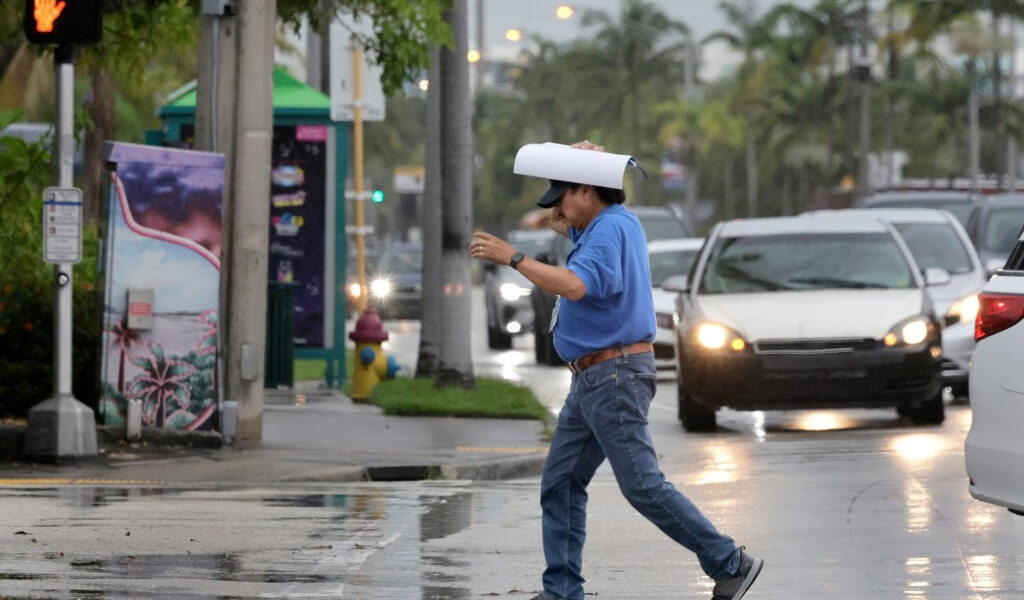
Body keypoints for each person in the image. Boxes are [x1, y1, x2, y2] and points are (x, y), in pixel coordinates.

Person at [470, 141, 763, 600]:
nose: (558, 209)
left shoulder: (607, 231)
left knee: (643, 485)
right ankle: (562, 592)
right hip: (595, 377)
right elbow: (572, 242)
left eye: (563, 196)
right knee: (562, 483)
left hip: (613, 375)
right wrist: (578, 174)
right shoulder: (611, 225)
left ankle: (729, 562)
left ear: (587, 191)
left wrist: (514, 258)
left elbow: (575, 284)